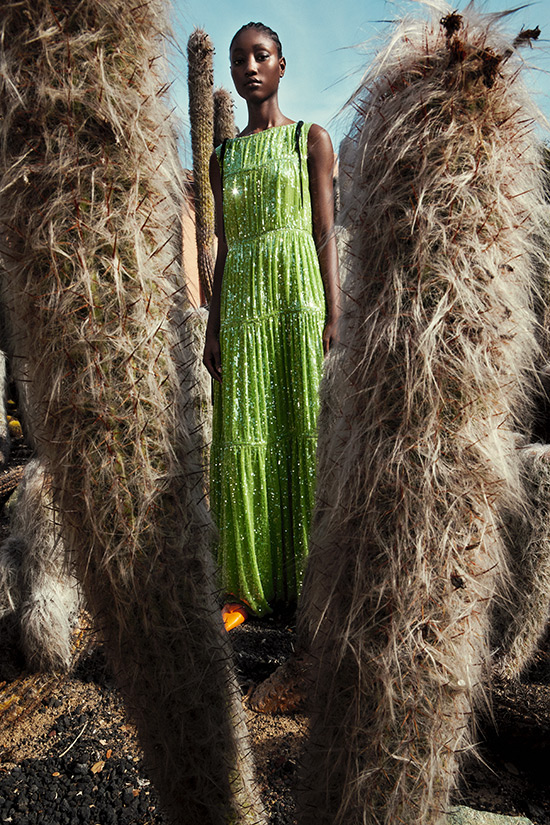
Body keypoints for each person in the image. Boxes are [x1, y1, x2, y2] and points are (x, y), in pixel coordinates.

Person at [203, 22, 339, 632]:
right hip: (242, 311)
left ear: (282, 66)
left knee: (300, 433)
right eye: (239, 60)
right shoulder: (222, 156)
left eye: (261, 56)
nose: (250, 67)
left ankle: (312, 584)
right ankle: (250, 588)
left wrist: (334, 313)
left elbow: (324, 234)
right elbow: (226, 248)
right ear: (229, 74)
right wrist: (212, 324)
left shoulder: (310, 140)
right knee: (245, 440)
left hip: (296, 301)